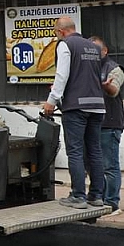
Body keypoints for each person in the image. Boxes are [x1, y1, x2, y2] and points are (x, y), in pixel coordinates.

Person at [40, 16, 105, 209]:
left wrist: (51, 101)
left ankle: (78, 196)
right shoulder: (93, 47)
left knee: (75, 151)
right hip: (97, 105)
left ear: (60, 32)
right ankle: (96, 195)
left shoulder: (65, 45)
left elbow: (62, 75)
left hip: (76, 107)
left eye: (56, 34)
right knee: (95, 150)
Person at [90, 36, 124, 216]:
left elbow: (114, 90)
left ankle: (112, 203)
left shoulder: (114, 68)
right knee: (92, 164)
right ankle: (98, 197)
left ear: (105, 51)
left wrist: (106, 87)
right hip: (92, 123)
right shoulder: (87, 67)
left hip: (109, 124)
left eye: (96, 49)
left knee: (109, 165)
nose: (92, 53)